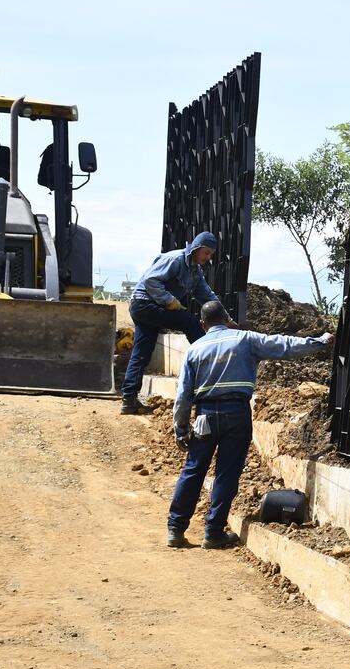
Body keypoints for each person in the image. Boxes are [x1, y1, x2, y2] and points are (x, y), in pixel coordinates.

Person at [166, 300, 333, 549]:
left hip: (205, 416)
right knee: (227, 473)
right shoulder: (245, 339)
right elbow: (284, 345)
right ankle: (213, 533)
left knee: (193, 470)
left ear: (202, 324)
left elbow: (182, 397)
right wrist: (320, 341)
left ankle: (176, 530)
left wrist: (180, 430)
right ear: (227, 317)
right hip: (236, 413)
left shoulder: (195, 349)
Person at [121, 231, 222, 415]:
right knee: (190, 322)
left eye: (211, 255)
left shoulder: (195, 271)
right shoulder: (175, 259)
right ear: (197, 248)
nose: (208, 258)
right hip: (144, 304)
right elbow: (150, 280)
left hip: (148, 308)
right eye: (206, 253)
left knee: (142, 352)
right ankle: (210, 358)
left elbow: (206, 295)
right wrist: (169, 300)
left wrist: (225, 318)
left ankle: (129, 399)